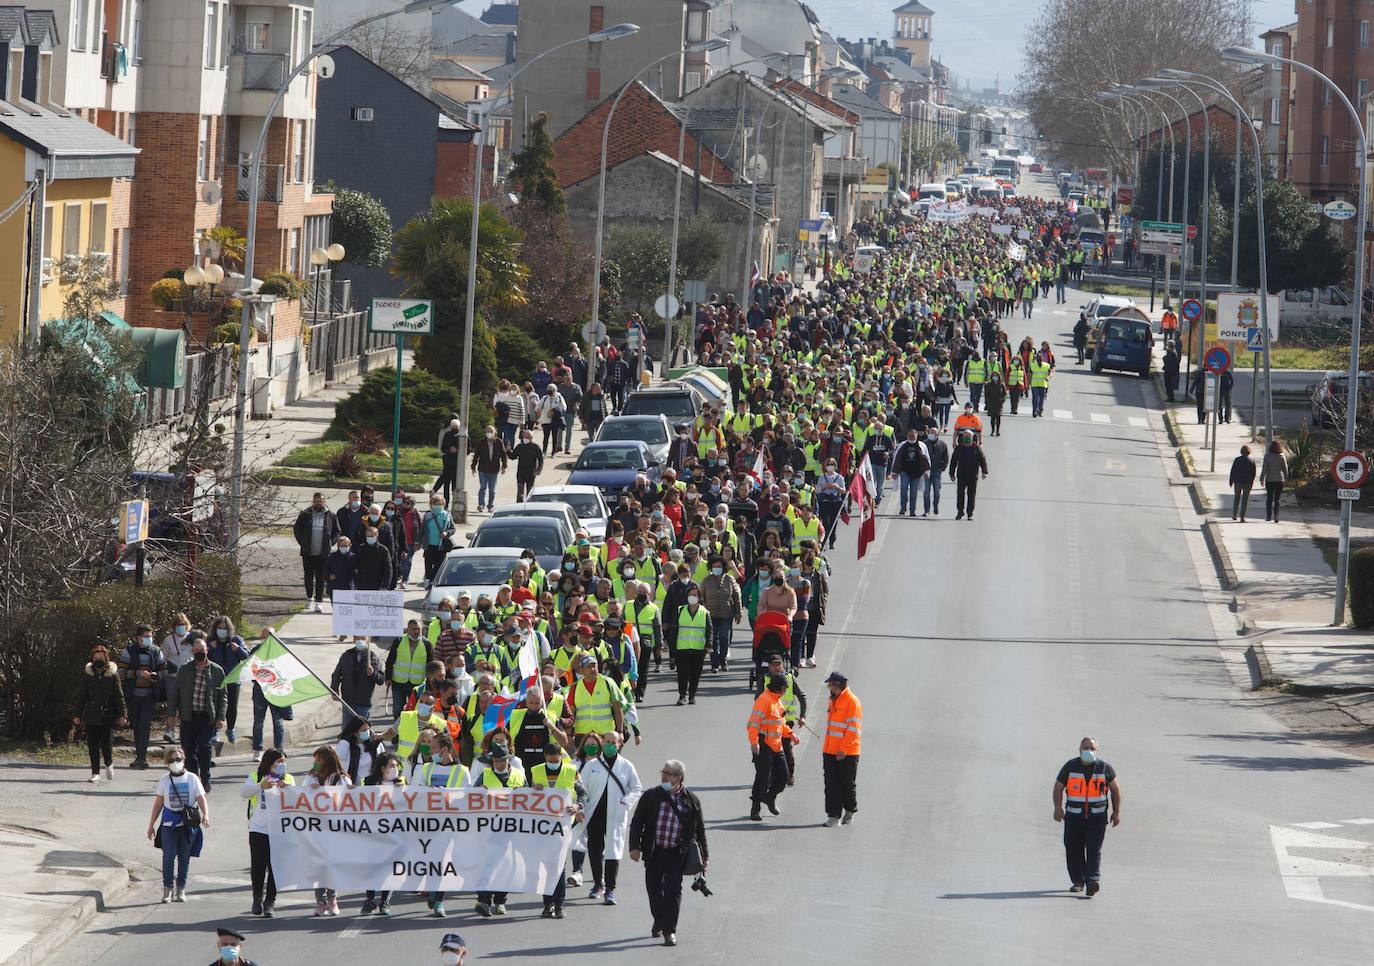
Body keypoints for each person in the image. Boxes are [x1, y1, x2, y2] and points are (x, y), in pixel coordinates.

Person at [628, 758, 707, 948]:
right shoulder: (651, 796)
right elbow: (637, 821)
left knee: (673, 890)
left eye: (667, 773)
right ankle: (659, 919)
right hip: (654, 852)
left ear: (678, 778)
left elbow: (700, 829)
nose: (663, 775)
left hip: (677, 853)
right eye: (662, 772)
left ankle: (669, 930)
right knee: (653, 889)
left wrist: (705, 856)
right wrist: (634, 847)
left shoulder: (691, 800)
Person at [568, 731, 642, 906]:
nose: (609, 744)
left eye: (612, 742)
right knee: (594, 850)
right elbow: (580, 788)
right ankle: (597, 884)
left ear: (619, 745)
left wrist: (625, 802)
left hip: (615, 814)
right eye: (606, 741)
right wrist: (579, 807)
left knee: (613, 852)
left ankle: (610, 889)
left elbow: (636, 787)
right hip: (594, 815)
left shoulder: (626, 766)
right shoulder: (592, 764)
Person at [1052, 737, 1122, 897]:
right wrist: (1057, 807)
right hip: (1073, 817)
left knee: (1093, 848)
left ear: (1097, 750)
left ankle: (1092, 881)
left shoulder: (1105, 768)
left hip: (1097, 818)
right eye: (1085, 748)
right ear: (1079, 750)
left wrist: (1116, 812)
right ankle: (1078, 881)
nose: (1088, 751)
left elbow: (1115, 789)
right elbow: (1058, 787)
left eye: (1091, 748)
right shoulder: (1070, 767)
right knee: (1073, 849)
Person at [147, 746, 209, 903]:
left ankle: (181, 888)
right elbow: (158, 804)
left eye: (178, 759)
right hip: (169, 824)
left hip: (188, 825)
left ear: (184, 760)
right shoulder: (164, 780)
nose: (176, 762)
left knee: (184, 857)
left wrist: (206, 815)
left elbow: (201, 798)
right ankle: (167, 889)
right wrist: (151, 825)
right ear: (167, 763)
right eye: (172, 760)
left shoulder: (192, 778)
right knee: (168, 856)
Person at [241, 748, 293, 917]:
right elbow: (244, 793)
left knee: (275, 867)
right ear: (269, 763)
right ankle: (257, 898)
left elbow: (298, 801)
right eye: (279, 762)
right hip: (259, 828)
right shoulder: (255, 776)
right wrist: (259, 786)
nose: (282, 765)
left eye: (284, 761)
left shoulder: (289, 779)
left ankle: (270, 901)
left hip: (280, 830)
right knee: (258, 866)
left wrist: (288, 789)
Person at [304, 745, 352, 916]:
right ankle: (320, 901)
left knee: (330, 865)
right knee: (318, 866)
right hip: (315, 829)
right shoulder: (311, 777)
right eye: (314, 760)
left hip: (334, 829)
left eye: (318, 760)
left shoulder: (340, 778)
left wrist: (326, 792)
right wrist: (312, 790)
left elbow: (348, 798)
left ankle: (332, 899)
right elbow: (301, 796)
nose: (315, 763)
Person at [176, 635, 226, 791]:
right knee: (188, 750)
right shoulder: (185, 669)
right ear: (192, 651)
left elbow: (223, 696)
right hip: (188, 716)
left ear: (207, 650)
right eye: (196, 650)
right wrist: (172, 713)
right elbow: (177, 692)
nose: (199, 652)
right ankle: (194, 780)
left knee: (204, 747)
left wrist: (221, 717)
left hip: (207, 717)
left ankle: (205, 778)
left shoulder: (217, 671)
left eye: (202, 650)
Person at [361, 751, 407, 916]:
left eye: (396, 766)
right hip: (373, 833)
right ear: (382, 768)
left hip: (393, 834)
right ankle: (369, 899)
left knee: (389, 868)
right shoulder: (367, 783)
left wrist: (402, 789)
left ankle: (385, 902)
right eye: (391, 766)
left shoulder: (402, 784)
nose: (395, 769)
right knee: (372, 867)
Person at [747, 673, 797, 821]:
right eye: (784, 688)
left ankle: (769, 798)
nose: (786, 690)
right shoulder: (764, 700)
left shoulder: (777, 701)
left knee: (783, 776)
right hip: (764, 744)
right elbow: (754, 723)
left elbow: (780, 721)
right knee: (762, 778)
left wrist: (790, 734)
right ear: (778, 688)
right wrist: (754, 742)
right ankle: (755, 808)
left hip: (777, 745)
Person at [75, 644, 127, 782]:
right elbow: (81, 695)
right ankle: (95, 772)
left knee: (106, 743)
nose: (98, 660)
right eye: (95, 657)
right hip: (91, 715)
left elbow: (119, 696)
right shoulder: (88, 675)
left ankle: (109, 764)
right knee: (92, 745)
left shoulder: (112, 675)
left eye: (101, 658)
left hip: (107, 715)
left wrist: (123, 714)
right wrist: (77, 714)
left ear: (106, 659)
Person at [119, 624, 165, 769]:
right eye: (145, 637)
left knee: (145, 726)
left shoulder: (156, 651)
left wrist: (156, 676)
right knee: (137, 726)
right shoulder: (128, 652)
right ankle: (139, 755)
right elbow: (121, 672)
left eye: (150, 637)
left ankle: (142, 757)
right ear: (137, 637)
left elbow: (164, 671)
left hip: (149, 695)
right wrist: (138, 673)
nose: (148, 639)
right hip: (133, 695)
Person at [821, 670, 861, 827]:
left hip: (847, 753)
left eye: (830, 685)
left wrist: (843, 749)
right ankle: (833, 816)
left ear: (838, 686)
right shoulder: (834, 700)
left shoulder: (852, 702)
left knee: (846, 784)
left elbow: (853, 729)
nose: (829, 688)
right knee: (831, 785)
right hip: (829, 750)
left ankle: (850, 810)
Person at [208, 616, 250, 751]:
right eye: (219, 628)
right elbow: (202, 657)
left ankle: (230, 729)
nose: (222, 631)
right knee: (216, 706)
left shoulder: (236, 640)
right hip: (216, 680)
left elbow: (247, 657)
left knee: (232, 707)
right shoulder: (210, 641)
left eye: (224, 628)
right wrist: (210, 648)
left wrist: (237, 649)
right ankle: (216, 731)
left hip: (233, 680)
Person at [294, 492, 339, 614]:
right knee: (308, 577)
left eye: (321, 501)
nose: (318, 503)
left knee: (320, 578)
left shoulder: (331, 515)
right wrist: (302, 542)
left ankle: (318, 602)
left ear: (324, 502)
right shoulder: (305, 514)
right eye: (316, 501)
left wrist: (331, 543)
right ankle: (309, 598)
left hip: (323, 554)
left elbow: (337, 532)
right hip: (308, 553)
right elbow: (297, 529)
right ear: (313, 501)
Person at [330, 637, 385, 731]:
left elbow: (380, 680)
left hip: (363, 702)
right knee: (347, 731)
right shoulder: (346, 655)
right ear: (354, 639)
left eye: (362, 638)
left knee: (361, 731)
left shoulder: (372, 657)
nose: (360, 640)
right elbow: (337, 674)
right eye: (357, 638)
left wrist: (372, 673)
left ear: (367, 639)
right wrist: (334, 689)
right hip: (348, 701)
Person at [949, 430, 989, 521]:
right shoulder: (959, 448)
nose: (967, 438)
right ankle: (960, 512)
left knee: (971, 495)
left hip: (973, 476)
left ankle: (970, 513)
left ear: (972, 438)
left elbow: (983, 460)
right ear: (962, 438)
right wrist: (951, 474)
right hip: (961, 475)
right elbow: (953, 462)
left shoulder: (977, 448)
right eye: (965, 436)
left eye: (969, 437)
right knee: (960, 494)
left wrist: (984, 472)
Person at [891, 428, 930, 518]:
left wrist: (927, 472)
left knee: (913, 492)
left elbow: (926, 459)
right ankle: (903, 508)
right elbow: (897, 458)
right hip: (904, 471)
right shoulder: (902, 445)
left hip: (917, 473)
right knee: (904, 489)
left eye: (913, 435)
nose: (912, 437)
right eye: (910, 435)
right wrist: (894, 471)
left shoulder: (921, 445)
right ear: (907, 435)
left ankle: (912, 510)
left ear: (917, 435)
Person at [470, 425, 508, 512]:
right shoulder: (481, 442)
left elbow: (503, 454)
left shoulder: (499, 442)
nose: (489, 433)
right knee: (483, 487)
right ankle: (481, 504)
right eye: (487, 431)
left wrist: (504, 466)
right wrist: (473, 466)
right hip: (483, 469)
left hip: (494, 470)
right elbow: (476, 455)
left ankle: (490, 505)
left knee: (492, 490)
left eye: (491, 431)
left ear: (495, 433)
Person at [422, 495, 456, 587]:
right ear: (431, 505)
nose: (437, 506)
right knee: (428, 564)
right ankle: (428, 581)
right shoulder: (427, 516)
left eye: (439, 504)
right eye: (435, 504)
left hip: (441, 546)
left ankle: (434, 582)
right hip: (429, 545)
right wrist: (417, 542)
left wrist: (446, 533)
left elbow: (453, 529)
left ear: (443, 504)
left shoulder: (447, 515)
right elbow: (422, 530)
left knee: (439, 565)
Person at [511, 428, 544, 502]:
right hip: (521, 473)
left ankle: (529, 507)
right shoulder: (520, 446)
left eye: (527, 437)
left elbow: (540, 460)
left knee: (529, 493)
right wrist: (508, 451)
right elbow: (513, 456)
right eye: (524, 437)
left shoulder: (535, 447)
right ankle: (519, 507)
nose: (525, 439)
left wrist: (539, 469)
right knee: (520, 493)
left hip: (531, 474)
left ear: (531, 438)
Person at [435, 419, 463, 504]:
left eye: (456, 427)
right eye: (453, 427)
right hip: (447, 460)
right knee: (446, 482)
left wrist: (458, 450)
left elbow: (468, 449)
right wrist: (449, 449)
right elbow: (443, 447)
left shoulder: (462, 436)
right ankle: (446, 502)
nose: (454, 428)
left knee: (455, 483)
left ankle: (455, 501)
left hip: (458, 462)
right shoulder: (447, 434)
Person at [1261, 439, 1288, 522]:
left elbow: (1264, 469)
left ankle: (1268, 516)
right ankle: (1276, 516)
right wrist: (1286, 478)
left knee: (1269, 498)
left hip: (1269, 479)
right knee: (1277, 499)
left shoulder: (1267, 456)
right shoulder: (1281, 456)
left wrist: (1262, 479)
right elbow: (1285, 468)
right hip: (1279, 479)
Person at [1229, 444, 1256, 522]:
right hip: (1247, 483)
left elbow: (1233, 471)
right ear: (1249, 452)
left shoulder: (1237, 460)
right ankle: (1242, 517)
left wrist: (1231, 481)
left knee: (1237, 498)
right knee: (1245, 500)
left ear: (1241, 451)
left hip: (1238, 482)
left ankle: (1234, 515)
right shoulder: (1252, 461)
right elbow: (1253, 473)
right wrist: (1251, 481)